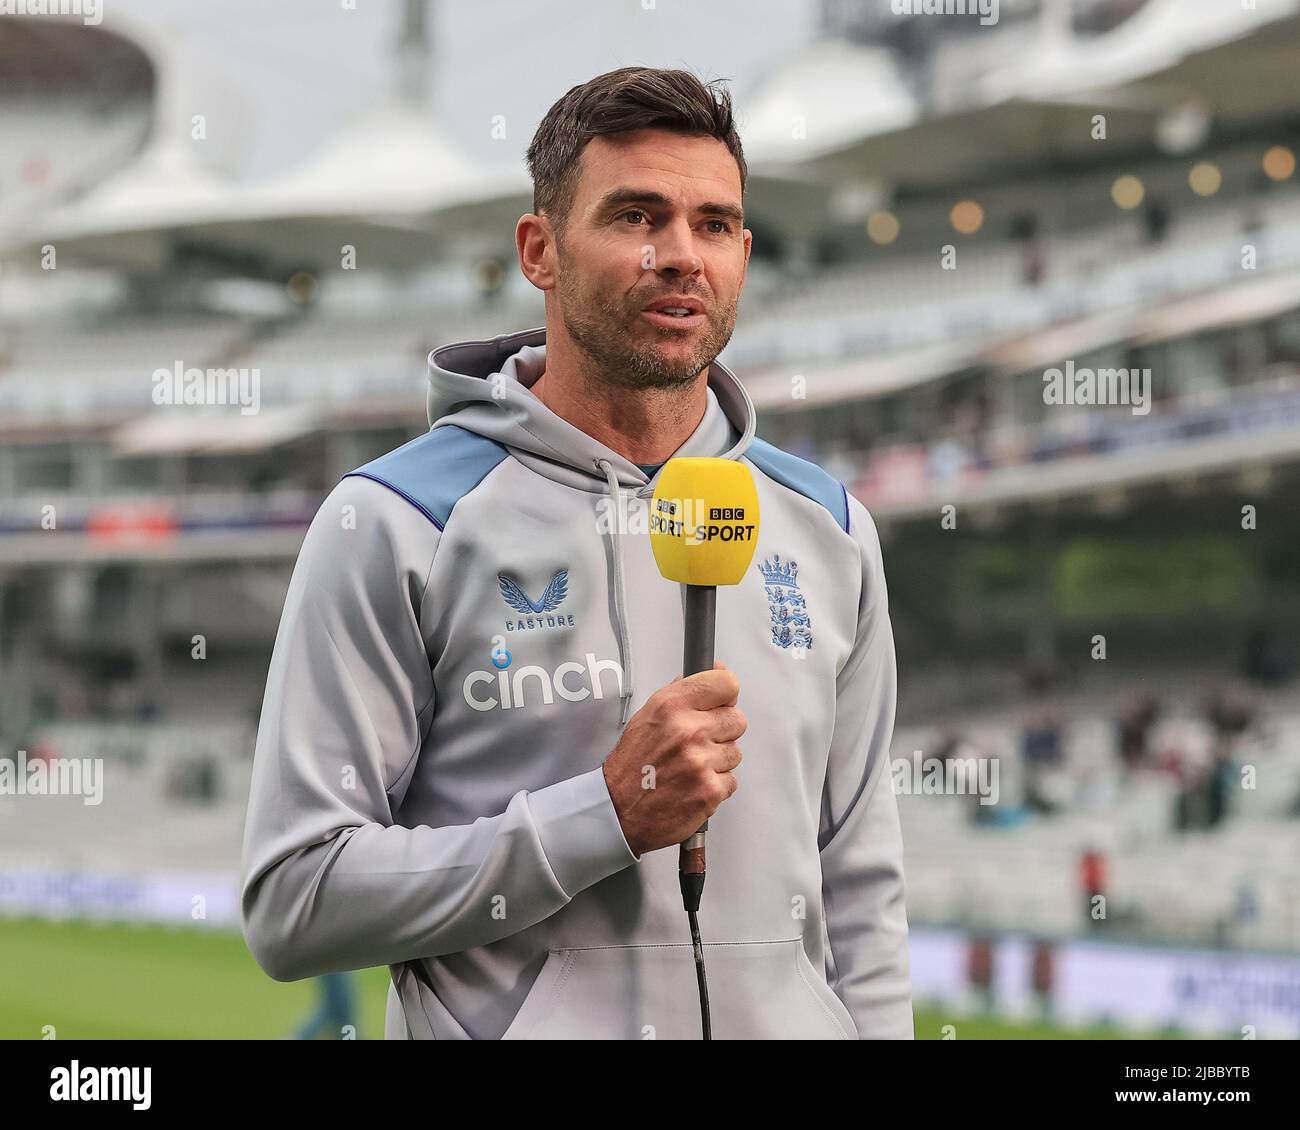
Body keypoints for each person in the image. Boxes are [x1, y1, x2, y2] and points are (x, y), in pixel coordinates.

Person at [240, 67, 911, 1040]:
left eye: (713, 224)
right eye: (637, 215)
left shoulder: (832, 528)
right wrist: (599, 814)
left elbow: (862, 891)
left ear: (743, 253)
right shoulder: (393, 521)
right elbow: (293, 900)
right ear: (540, 248)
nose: (680, 254)